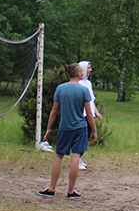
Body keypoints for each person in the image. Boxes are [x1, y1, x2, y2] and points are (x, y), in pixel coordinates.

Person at [37, 63, 97, 199]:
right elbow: (89, 113)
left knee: (58, 156)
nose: (83, 73)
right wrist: (94, 130)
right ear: (78, 74)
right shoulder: (83, 90)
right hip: (80, 128)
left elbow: (54, 111)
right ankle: (70, 191)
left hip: (64, 127)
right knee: (75, 157)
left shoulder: (60, 88)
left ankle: (51, 189)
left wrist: (48, 128)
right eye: (82, 71)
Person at [77, 60, 102, 170]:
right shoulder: (79, 84)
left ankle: (79, 158)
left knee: (86, 138)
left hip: (90, 114)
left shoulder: (88, 83)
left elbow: (91, 100)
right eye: (88, 68)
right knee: (81, 138)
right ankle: (76, 159)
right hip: (83, 115)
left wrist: (96, 112)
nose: (90, 70)